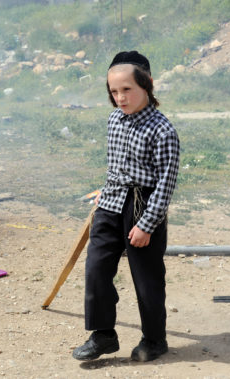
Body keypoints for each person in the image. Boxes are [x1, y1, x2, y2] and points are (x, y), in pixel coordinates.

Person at [72, 51, 180, 363]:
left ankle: (154, 339)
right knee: (96, 267)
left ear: (147, 85)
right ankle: (103, 334)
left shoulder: (162, 130)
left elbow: (166, 183)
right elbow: (115, 166)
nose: (120, 98)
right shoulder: (114, 120)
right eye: (114, 91)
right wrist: (103, 195)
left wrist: (147, 224)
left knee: (146, 278)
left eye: (127, 89)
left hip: (144, 206)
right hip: (111, 203)